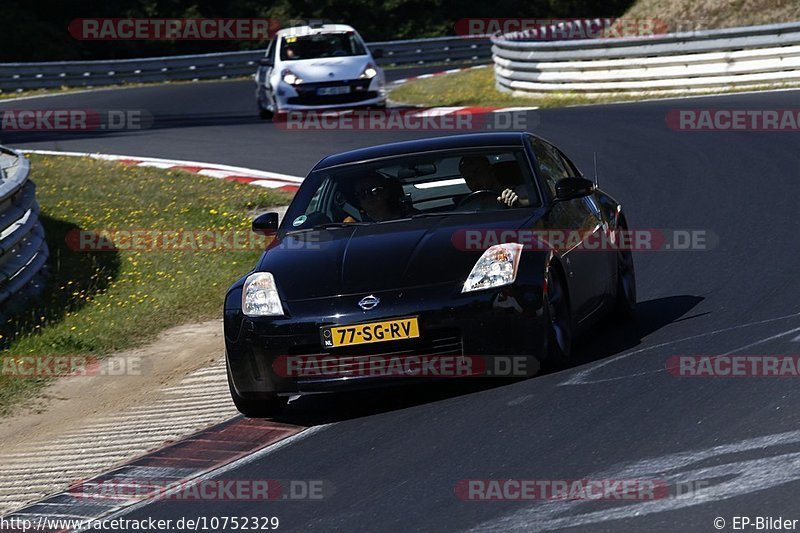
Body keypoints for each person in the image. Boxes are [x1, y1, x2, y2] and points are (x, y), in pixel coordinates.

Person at [458, 156, 530, 207]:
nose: (473, 181)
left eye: (477, 173)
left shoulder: (519, 191)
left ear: (490, 171)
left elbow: (536, 203)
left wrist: (519, 203)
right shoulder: (469, 207)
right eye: (467, 178)